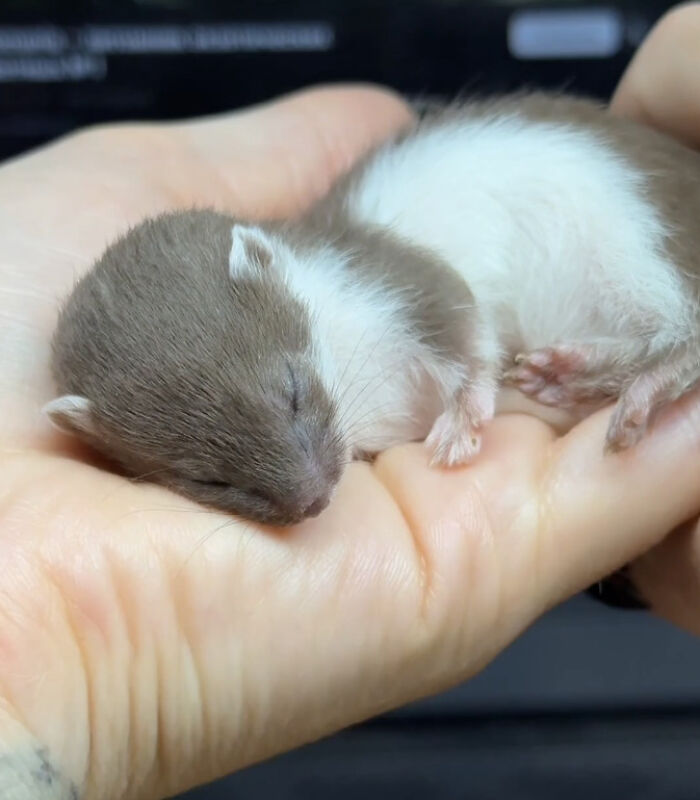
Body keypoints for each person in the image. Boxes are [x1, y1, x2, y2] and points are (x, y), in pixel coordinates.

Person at [2, 5, 700, 799]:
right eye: (214, 481)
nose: (307, 492)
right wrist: (51, 663)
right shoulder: (235, 362)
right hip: (553, 306)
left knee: (627, 239)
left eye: (296, 399)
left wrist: (472, 384)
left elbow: (438, 297)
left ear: (261, 263)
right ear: (90, 433)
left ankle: (681, 338)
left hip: (589, 209)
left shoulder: (338, 281)